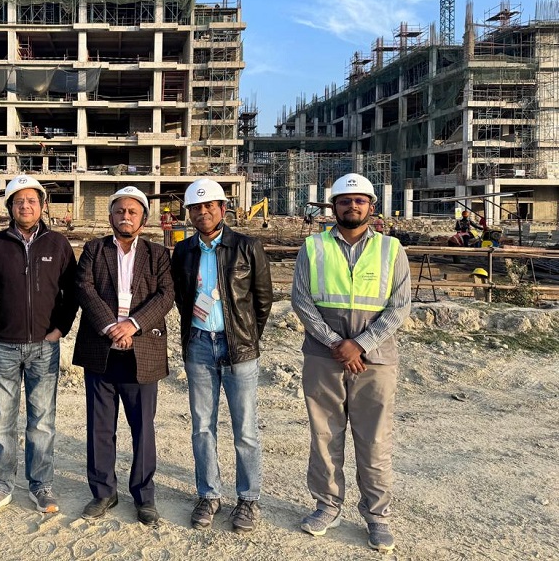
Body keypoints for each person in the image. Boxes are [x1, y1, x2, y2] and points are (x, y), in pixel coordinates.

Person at [291, 173, 411, 554]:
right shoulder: (313, 247)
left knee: (374, 439)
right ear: (334, 207)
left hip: (375, 360)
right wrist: (335, 343)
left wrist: (359, 345)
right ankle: (327, 506)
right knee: (324, 435)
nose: (352, 206)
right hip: (323, 356)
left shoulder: (392, 250)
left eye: (360, 200)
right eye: (345, 201)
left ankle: (377, 516)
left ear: (371, 206)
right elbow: (301, 300)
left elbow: (399, 306)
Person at [0, 175, 78, 515]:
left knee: (42, 420)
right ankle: (1, 484)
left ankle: (41, 484)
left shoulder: (58, 244)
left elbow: (73, 292)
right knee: (1, 420)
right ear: (10, 207)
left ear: (42, 205)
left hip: (44, 347)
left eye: (31, 200)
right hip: (2, 346)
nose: (25, 206)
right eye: (19, 201)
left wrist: (60, 329)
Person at [170, 178, 273, 533]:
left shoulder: (247, 247)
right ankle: (209, 494)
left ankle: (248, 498)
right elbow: (182, 298)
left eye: (209, 206)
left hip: (239, 348)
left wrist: (245, 338)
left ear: (222, 209)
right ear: (189, 213)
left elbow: (263, 301)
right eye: (196, 208)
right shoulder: (183, 251)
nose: (202, 212)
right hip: (199, 346)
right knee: (202, 426)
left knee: (245, 428)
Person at [74, 186, 173, 527]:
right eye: (119, 211)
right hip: (101, 350)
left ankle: (144, 497)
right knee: (100, 427)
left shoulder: (158, 254)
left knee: (143, 429)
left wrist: (132, 325)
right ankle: (103, 492)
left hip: (141, 351)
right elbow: (84, 288)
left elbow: (166, 295)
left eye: (132, 212)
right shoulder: (94, 249)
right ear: (110, 217)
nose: (125, 216)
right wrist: (111, 327)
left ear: (144, 219)